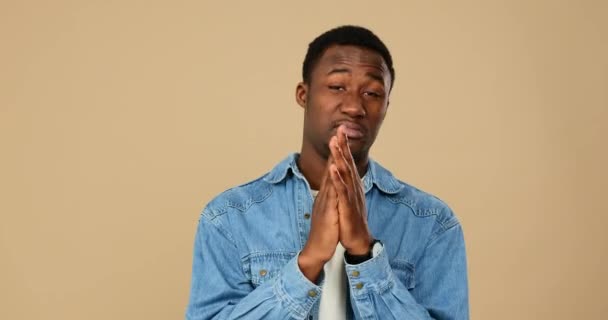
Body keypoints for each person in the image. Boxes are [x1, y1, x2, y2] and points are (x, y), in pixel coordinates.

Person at [185, 25, 469, 320]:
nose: (354, 106)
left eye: (372, 93)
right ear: (303, 94)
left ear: (386, 105)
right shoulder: (228, 218)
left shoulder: (432, 224)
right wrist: (308, 262)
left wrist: (364, 253)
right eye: (337, 87)